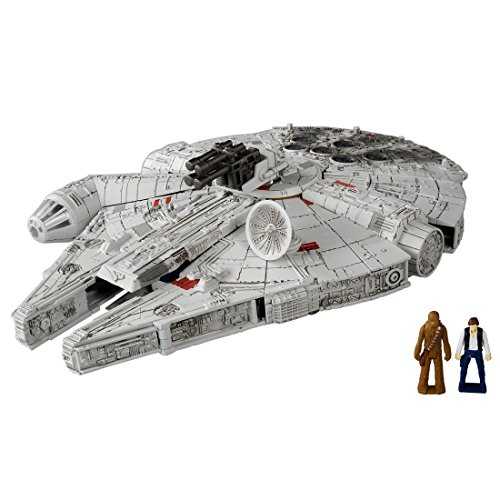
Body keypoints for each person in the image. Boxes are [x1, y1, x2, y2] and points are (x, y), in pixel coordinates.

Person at [414, 311, 452, 394]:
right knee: (424, 372)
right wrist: (417, 353)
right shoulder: (424, 328)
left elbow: (445, 342)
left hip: (437, 353)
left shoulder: (442, 328)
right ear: (428, 320)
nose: (434, 323)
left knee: (439, 372)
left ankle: (439, 388)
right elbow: (419, 341)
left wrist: (448, 353)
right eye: (432, 320)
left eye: (436, 320)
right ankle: (422, 387)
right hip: (426, 353)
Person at [455, 317, 492, 393]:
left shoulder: (482, 332)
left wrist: (488, 353)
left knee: (481, 368)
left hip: (478, 352)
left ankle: (482, 385)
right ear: (469, 325)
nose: (473, 327)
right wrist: (458, 353)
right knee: (463, 368)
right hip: (468, 351)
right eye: (471, 325)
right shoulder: (465, 331)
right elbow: (460, 342)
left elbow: (486, 343)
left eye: (474, 325)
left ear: (477, 325)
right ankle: (461, 384)